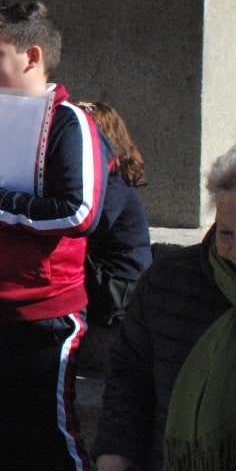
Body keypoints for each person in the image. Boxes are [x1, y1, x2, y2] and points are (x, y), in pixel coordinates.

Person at [0, 1, 109, 471]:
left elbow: (79, 212)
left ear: (32, 56)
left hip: (41, 314)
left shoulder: (68, 121)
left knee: (49, 446)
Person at [95, 141, 236, 471]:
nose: (235, 250)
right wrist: (117, 445)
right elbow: (130, 369)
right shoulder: (170, 281)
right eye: (226, 233)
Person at [78, 101, 152, 327]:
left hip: (119, 282)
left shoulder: (114, 181)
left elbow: (88, 229)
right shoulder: (105, 178)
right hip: (106, 274)